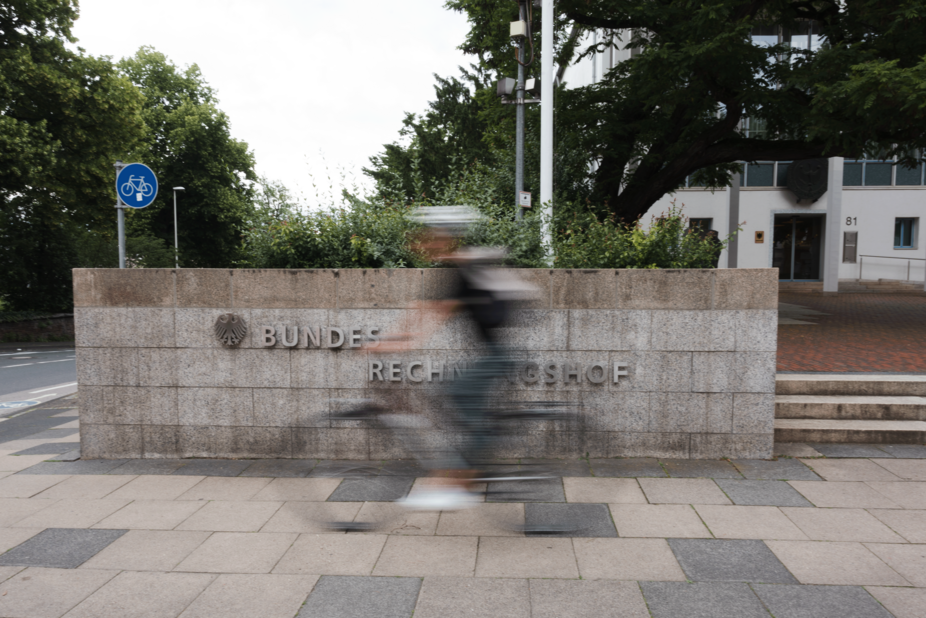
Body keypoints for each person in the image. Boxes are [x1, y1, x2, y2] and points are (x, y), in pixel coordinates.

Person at [375, 206, 536, 510]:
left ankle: (462, 480)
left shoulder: (466, 268)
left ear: (446, 238)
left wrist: (392, 344)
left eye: (430, 237)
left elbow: (434, 316)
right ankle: (466, 470)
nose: (424, 243)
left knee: (454, 393)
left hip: (498, 355)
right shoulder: (457, 268)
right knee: (456, 399)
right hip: (493, 353)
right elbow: (421, 309)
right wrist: (389, 339)